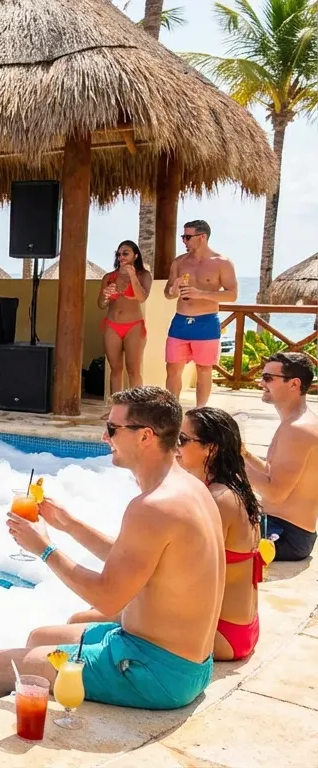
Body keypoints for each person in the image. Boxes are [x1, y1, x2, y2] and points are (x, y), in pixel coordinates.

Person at [0, 386, 223, 712]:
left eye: (113, 428)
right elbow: (142, 561)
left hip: (154, 672)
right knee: (40, 637)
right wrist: (69, 524)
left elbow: (108, 598)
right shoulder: (189, 489)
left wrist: (43, 548)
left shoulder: (154, 506)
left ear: (145, 436)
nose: (104, 437)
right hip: (187, 664)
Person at [178, 407, 264, 661]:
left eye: (182, 439)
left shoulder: (218, 500)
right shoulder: (233, 486)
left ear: (211, 449)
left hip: (222, 634)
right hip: (241, 628)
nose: (175, 446)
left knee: (86, 620)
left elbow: (179, 571)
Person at [244, 352, 317, 561]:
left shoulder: (298, 430)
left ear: (294, 384)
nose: (260, 383)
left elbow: (275, 493)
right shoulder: (294, 422)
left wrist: (233, 461)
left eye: (268, 378)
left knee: (199, 540)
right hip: (282, 527)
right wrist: (245, 454)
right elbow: (272, 473)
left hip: (287, 535)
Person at [163, 220, 237, 408]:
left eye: (188, 237)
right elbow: (167, 294)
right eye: (183, 237)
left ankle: (200, 411)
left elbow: (232, 294)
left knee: (204, 369)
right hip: (180, 321)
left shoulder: (222, 262)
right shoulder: (179, 262)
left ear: (202, 237)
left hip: (206, 322)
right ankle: (172, 411)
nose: (184, 241)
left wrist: (201, 294)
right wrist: (174, 289)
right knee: (172, 368)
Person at [98, 240, 152, 393]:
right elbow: (101, 304)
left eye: (125, 253)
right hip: (112, 324)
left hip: (134, 325)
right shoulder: (109, 277)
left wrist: (132, 276)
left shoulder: (144, 275)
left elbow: (142, 297)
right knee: (115, 369)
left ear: (135, 255)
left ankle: (136, 409)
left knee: (133, 369)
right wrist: (106, 296)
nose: (121, 256)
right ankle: (115, 409)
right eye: (119, 254)